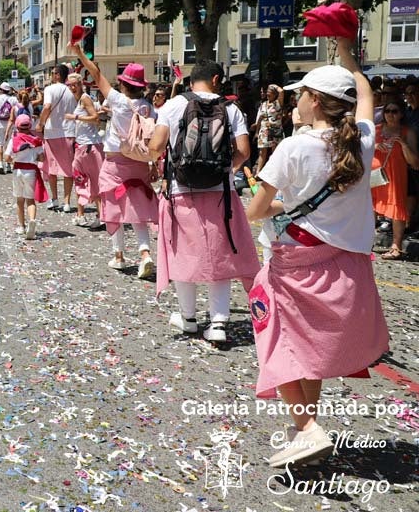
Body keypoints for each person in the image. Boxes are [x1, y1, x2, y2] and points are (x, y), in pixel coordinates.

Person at [245, 38, 389, 468]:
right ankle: (301, 431)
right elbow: (365, 94)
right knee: (309, 347)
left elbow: (257, 211)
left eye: (301, 95)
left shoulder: (294, 146)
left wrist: (284, 201)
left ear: (313, 100)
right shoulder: (361, 140)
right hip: (346, 264)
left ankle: (306, 429)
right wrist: (349, 55)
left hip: (296, 259)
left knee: (278, 338)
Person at [147, 60, 260, 343]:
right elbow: (244, 151)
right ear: (216, 79)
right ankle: (219, 323)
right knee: (219, 256)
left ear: (191, 81)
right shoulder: (231, 109)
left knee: (183, 254)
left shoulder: (173, 106)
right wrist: (225, 170)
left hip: (181, 190)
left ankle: (188, 317)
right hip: (221, 192)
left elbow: (156, 147)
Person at [70, 45, 156, 278]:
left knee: (112, 209)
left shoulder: (118, 101)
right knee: (137, 210)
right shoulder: (149, 108)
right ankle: (145, 253)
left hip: (115, 162)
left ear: (124, 84)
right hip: (139, 163)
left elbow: (96, 74)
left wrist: (79, 53)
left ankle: (118, 255)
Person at [371, 97, 419, 259]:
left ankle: (396, 246)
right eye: (387, 111)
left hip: (395, 177)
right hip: (374, 176)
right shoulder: (375, 129)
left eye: (394, 111)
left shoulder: (407, 132)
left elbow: (415, 162)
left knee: (397, 209)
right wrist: (375, 146)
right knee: (370, 209)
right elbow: (361, 151)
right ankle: (366, 242)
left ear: (401, 114)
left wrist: (403, 144)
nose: (390, 114)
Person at [37, 64, 78, 213]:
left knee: (51, 168)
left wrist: (40, 124)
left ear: (57, 75)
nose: (50, 75)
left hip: (52, 132)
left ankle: (54, 199)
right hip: (69, 132)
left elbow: (47, 106)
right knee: (68, 169)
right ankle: (67, 202)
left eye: (52, 73)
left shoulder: (49, 89)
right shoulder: (71, 91)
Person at [66, 73, 105, 230]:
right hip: (84, 145)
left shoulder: (84, 98)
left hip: (89, 146)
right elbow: (96, 116)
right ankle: (81, 214)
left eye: (75, 84)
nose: (72, 87)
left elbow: (95, 117)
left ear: (81, 84)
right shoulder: (79, 99)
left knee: (92, 180)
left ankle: (100, 215)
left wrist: (75, 117)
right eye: (70, 85)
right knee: (81, 179)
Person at [5, 114, 45, 240]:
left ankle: (21, 226)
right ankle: (32, 220)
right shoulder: (37, 141)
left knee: (19, 200)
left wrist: (12, 160)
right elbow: (42, 158)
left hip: (18, 170)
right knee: (30, 200)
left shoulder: (14, 139)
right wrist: (34, 157)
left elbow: (7, 156)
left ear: (17, 125)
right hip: (31, 171)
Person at [0, 84, 19, 174]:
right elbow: (18, 108)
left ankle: (0, 164)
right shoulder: (13, 99)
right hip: (11, 124)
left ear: (0, 90)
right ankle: (8, 165)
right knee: (9, 144)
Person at [254, 84, 284, 171]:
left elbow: (281, 91)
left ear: (274, 94)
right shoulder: (263, 104)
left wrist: (273, 85)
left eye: (269, 93)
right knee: (262, 152)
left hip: (275, 130)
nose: (267, 94)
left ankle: (274, 171)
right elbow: (260, 118)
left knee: (275, 152)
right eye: (267, 92)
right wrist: (256, 131)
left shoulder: (278, 103)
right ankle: (258, 172)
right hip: (264, 130)